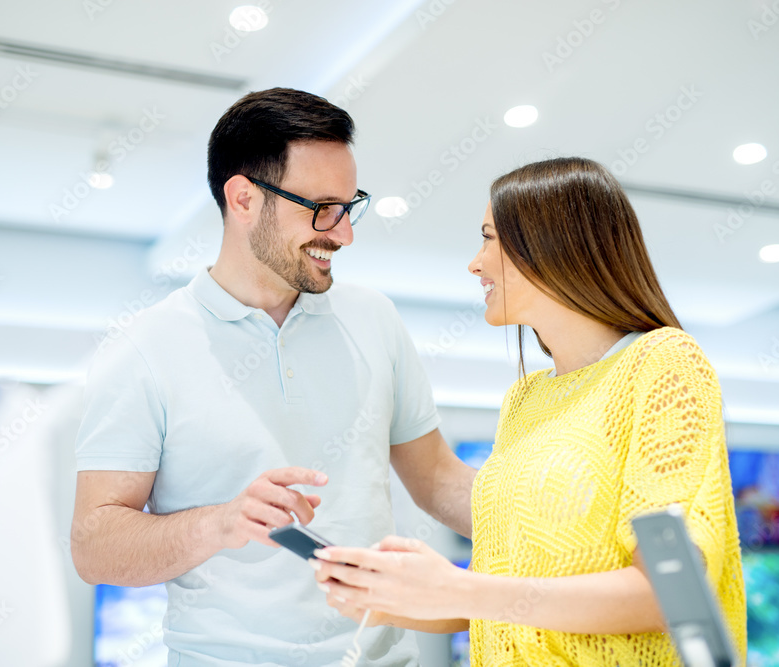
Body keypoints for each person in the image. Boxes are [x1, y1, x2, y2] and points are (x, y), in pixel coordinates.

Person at [70, 87, 476, 666]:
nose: (343, 233)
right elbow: (95, 546)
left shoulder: (374, 318)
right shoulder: (144, 348)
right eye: (321, 208)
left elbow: (437, 479)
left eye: (348, 205)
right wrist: (220, 523)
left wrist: (565, 524)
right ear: (243, 199)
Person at [312, 157, 748, 666]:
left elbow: (670, 594)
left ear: (553, 243)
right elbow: (515, 601)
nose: (475, 263)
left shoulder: (663, 363)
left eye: (489, 238)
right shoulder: (525, 401)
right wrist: (400, 597)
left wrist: (459, 589)